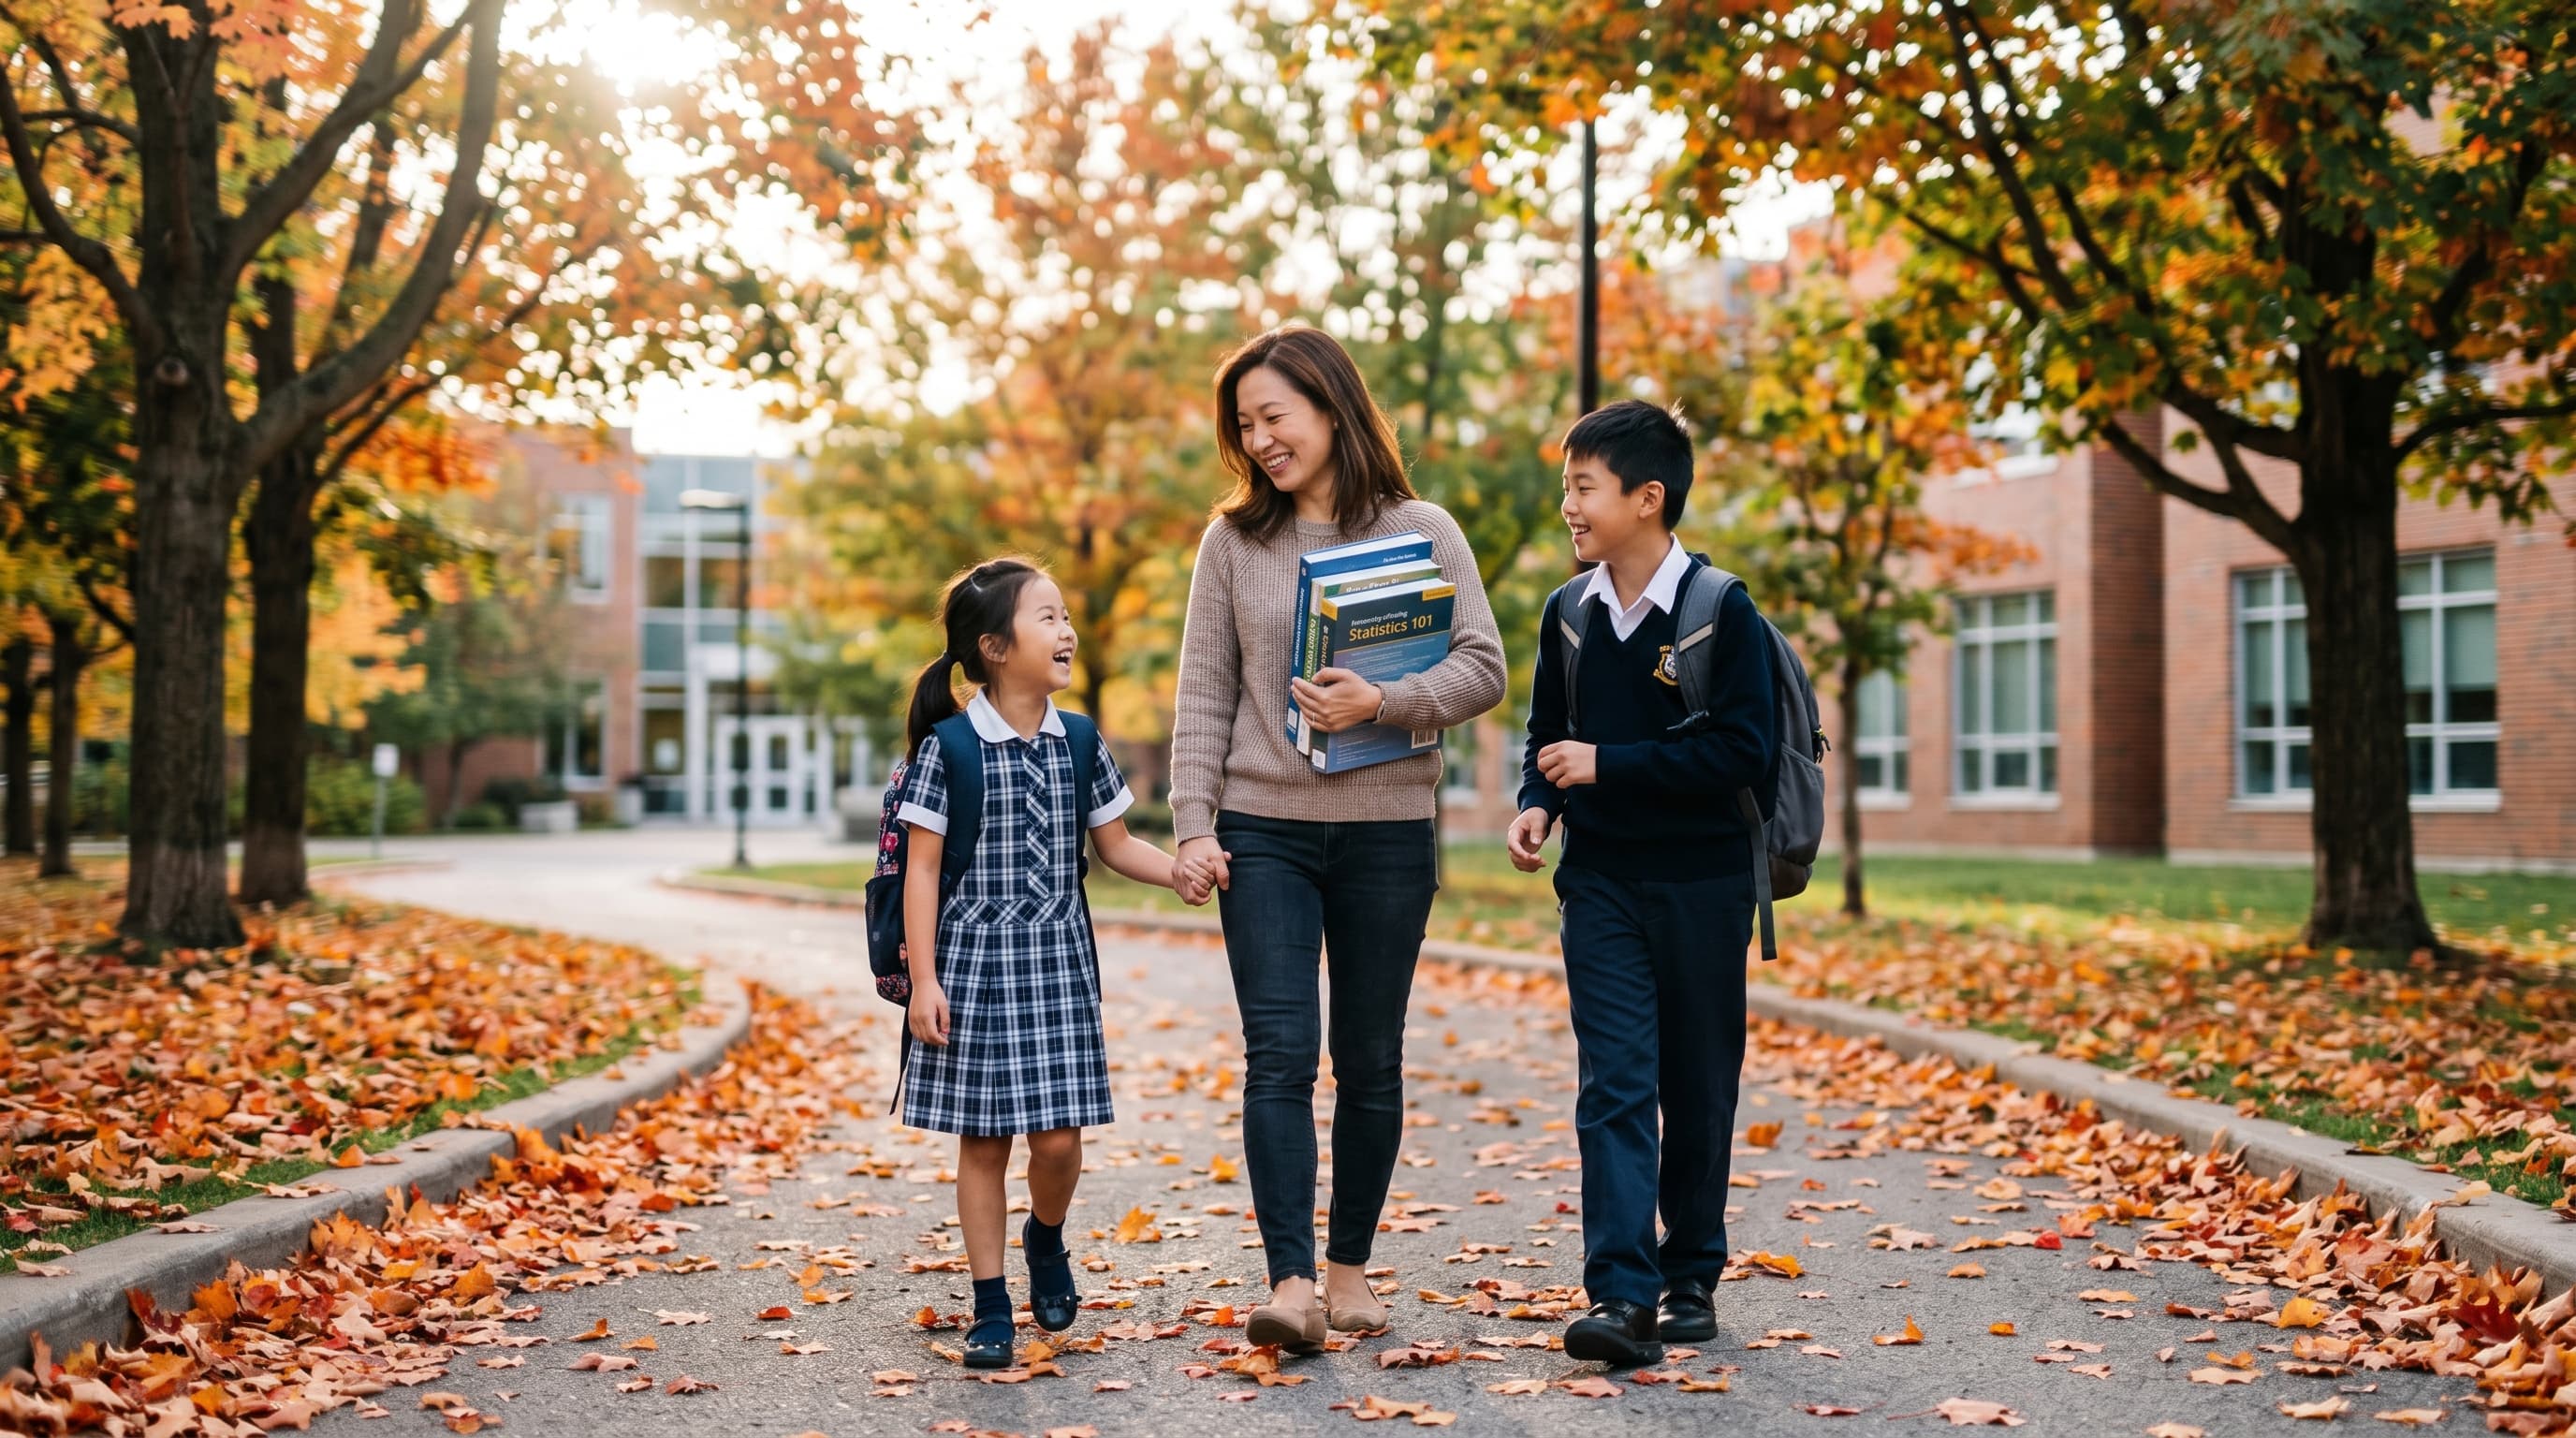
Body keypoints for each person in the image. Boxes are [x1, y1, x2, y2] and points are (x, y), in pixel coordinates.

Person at [1170, 323, 1508, 1353]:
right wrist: (1192, 827)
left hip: (1386, 833)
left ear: (1329, 407)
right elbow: (1201, 697)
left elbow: (1485, 667)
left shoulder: (1424, 528)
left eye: (1274, 417)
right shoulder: (1233, 544)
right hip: (1262, 829)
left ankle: (1350, 1271)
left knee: (1368, 1058)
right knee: (1278, 1053)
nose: (1261, 440)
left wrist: (1387, 701)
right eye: (1245, 426)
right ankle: (1288, 1284)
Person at [1505, 400, 1777, 1369]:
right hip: (1603, 886)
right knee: (1614, 1084)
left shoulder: (1717, 611)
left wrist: (1607, 766)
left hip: (1705, 885)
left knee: (1696, 1083)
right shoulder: (1567, 616)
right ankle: (1622, 1295)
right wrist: (1539, 799)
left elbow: (1746, 750)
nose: (1568, 506)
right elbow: (1547, 738)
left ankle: (1691, 1270)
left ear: (1646, 497)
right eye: (1568, 487)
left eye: (1583, 487)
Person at [895, 556, 1217, 1369]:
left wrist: (1176, 867)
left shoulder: (1079, 740)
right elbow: (922, 870)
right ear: (996, 647)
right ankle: (991, 1303)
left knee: (1059, 1141)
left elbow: (1114, 844)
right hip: (971, 965)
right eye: (1048, 618)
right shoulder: (950, 748)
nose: (1068, 631)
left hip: (1056, 960)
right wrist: (924, 980)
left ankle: (1046, 1237)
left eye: (1067, 615)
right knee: (982, 1142)